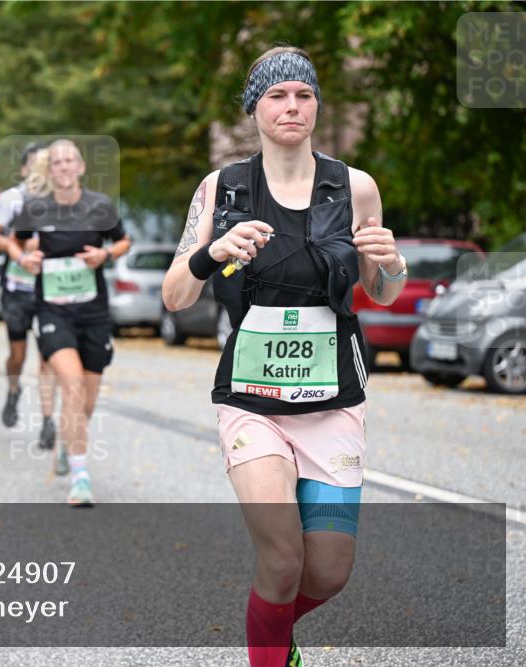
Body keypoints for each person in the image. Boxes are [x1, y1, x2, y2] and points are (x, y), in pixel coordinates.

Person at [161, 46, 407, 667]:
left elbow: (379, 291)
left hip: (332, 401)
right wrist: (211, 251)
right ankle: (268, 652)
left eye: (303, 94)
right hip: (252, 402)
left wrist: (390, 265)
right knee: (280, 557)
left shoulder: (355, 187)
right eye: (277, 95)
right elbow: (174, 296)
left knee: (327, 571)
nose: (291, 106)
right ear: (255, 109)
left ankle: (268, 635)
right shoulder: (222, 188)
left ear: (317, 105)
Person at [11, 139, 131, 506]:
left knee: (86, 401)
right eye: (57, 162)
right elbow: (14, 244)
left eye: (69, 161)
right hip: (52, 312)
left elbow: (123, 241)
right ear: (49, 171)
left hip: (93, 313)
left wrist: (105, 254)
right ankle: (80, 477)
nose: (63, 167)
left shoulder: (99, 206)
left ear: (80, 168)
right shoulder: (35, 208)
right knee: (73, 383)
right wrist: (24, 259)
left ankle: (67, 442)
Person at [0, 142, 58, 447]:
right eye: (38, 164)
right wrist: (20, 250)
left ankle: (47, 421)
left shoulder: (62, 198)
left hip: (48, 290)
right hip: (16, 289)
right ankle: (14, 390)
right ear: (26, 169)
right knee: (18, 355)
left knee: (47, 356)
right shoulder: (14, 199)